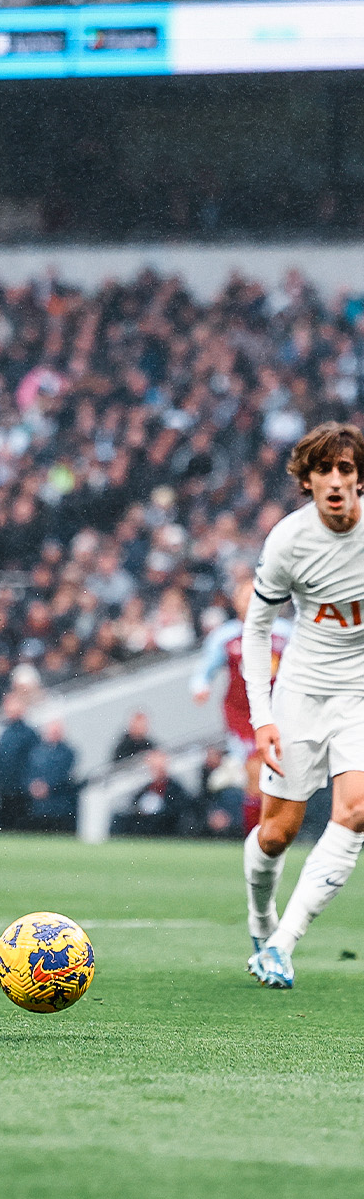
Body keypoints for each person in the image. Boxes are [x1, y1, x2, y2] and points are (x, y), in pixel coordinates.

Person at [243, 422, 364, 989]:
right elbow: (256, 628)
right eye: (325, 470)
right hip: (301, 691)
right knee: (277, 834)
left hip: (360, 695)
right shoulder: (288, 541)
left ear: (360, 478)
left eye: (346, 468)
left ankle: (282, 947)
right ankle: (261, 923)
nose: (335, 480)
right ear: (308, 480)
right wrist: (262, 717)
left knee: (355, 811)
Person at [191, 580, 290, 833]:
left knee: (267, 776)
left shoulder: (285, 633)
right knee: (256, 771)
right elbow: (204, 669)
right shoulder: (226, 636)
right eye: (246, 596)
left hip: (277, 713)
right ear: (235, 602)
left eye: (257, 596)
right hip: (241, 715)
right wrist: (200, 687)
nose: (251, 601)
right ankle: (258, 835)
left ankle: (260, 832)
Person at [110, 749, 197, 838]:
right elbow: (135, 805)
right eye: (153, 768)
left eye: (159, 768)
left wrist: (159, 812)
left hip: (166, 824)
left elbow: (179, 808)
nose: (156, 772)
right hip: (146, 823)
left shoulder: (175, 788)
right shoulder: (145, 787)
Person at [0, 693, 38, 829]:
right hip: (6, 787)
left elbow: (34, 761)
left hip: (21, 788)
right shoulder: (5, 732)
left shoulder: (29, 733)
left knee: (20, 823)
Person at [25, 718, 78, 833]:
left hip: (58, 802)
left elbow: (62, 773)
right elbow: (29, 771)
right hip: (39, 804)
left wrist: (46, 786)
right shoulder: (37, 751)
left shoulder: (68, 751)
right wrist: (32, 785)